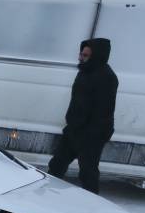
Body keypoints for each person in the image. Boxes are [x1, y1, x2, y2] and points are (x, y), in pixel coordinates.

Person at [47, 37, 118, 194]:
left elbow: (103, 111)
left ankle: (91, 207)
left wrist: (91, 134)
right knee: (57, 164)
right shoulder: (85, 71)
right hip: (74, 129)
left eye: (85, 55)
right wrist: (72, 124)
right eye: (81, 54)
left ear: (97, 56)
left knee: (88, 172)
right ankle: (46, 197)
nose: (80, 58)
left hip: (91, 134)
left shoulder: (107, 77)